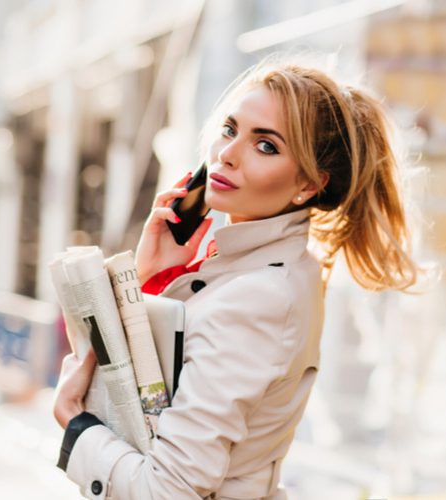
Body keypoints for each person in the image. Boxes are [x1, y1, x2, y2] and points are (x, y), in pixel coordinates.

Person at [53, 57, 421, 499]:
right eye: (230, 130)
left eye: (266, 146)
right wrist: (149, 272)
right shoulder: (261, 269)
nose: (227, 153)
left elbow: (167, 489)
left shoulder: (258, 297)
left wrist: (76, 424)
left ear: (307, 184)